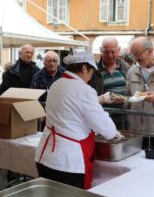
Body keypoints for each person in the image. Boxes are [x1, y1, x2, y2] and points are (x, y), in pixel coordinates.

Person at [35, 51, 122, 189]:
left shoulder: (56, 85)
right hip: (68, 162)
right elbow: (104, 126)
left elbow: (72, 109)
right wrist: (114, 132)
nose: (91, 76)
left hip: (45, 156)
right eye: (91, 71)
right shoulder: (84, 90)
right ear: (84, 69)